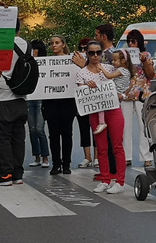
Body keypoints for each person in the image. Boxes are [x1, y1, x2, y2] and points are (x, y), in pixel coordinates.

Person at [0, 21, 30, 187]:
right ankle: (17, 174)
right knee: (18, 138)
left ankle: (5, 174)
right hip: (21, 97)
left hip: (2, 99)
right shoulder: (26, 45)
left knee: (2, 138)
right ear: (19, 28)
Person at [76, 41, 126, 194]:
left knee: (117, 146)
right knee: (101, 148)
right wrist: (86, 87)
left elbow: (122, 85)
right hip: (96, 113)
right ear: (87, 54)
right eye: (92, 53)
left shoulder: (110, 69)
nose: (96, 56)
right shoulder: (82, 73)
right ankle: (105, 179)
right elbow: (81, 94)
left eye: (98, 52)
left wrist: (121, 95)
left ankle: (120, 181)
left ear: (102, 54)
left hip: (113, 110)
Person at [44, 34, 76, 175]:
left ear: (63, 44)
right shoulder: (46, 62)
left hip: (67, 102)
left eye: (57, 43)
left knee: (67, 134)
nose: (54, 45)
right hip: (51, 102)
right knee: (53, 134)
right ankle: (56, 163)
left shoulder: (72, 61)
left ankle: (67, 163)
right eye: (52, 43)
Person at [124, 29, 156, 167]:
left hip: (142, 94)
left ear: (139, 42)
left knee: (144, 126)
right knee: (125, 127)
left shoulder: (146, 55)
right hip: (127, 94)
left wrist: (144, 62)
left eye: (133, 41)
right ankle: (126, 156)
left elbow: (151, 75)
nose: (131, 44)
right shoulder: (124, 55)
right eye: (129, 41)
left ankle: (146, 156)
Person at [26, 38, 50, 169]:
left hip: (41, 98)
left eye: (35, 49)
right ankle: (37, 156)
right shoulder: (28, 62)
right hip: (30, 97)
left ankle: (45, 156)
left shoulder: (45, 64)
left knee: (39, 129)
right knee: (32, 129)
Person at [74, 37, 96, 168]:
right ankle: (87, 157)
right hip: (81, 98)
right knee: (83, 128)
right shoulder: (74, 60)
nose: (82, 51)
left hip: (95, 99)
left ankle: (98, 157)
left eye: (85, 48)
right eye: (81, 48)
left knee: (96, 128)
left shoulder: (96, 62)